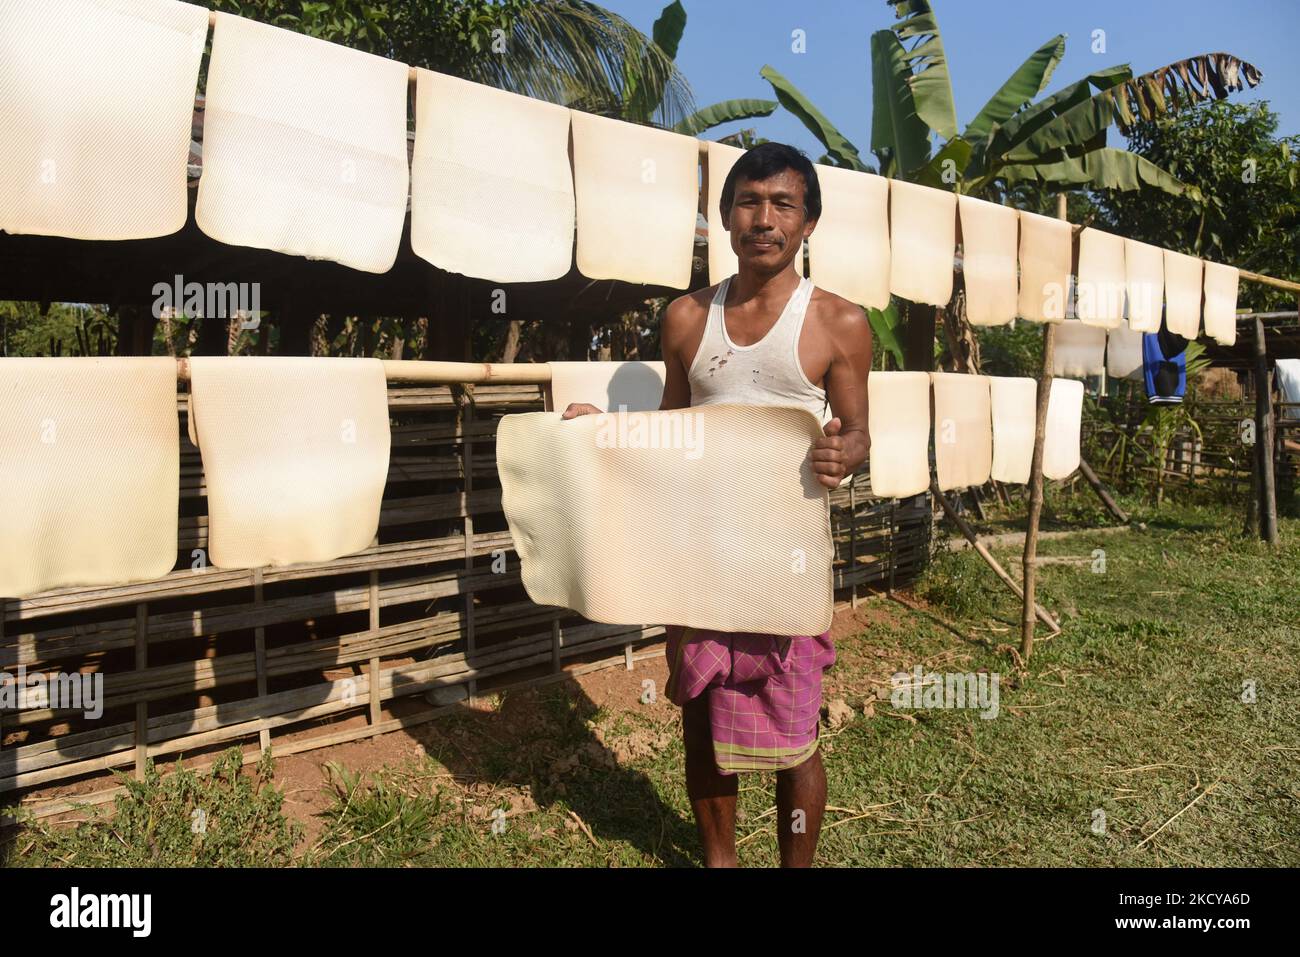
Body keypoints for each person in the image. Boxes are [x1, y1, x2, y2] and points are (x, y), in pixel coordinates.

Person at [562, 142, 872, 866]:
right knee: (701, 715)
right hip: (700, 552)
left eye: (782, 204)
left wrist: (844, 451)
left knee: (796, 732)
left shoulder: (837, 322)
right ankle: (719, 861)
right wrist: (603, 430)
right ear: (725, 217)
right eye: (748, 202)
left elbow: (858, 432)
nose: (763, 219)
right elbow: (675, 432)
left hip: (785, 561)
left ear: (809, 222)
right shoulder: (685, 318)